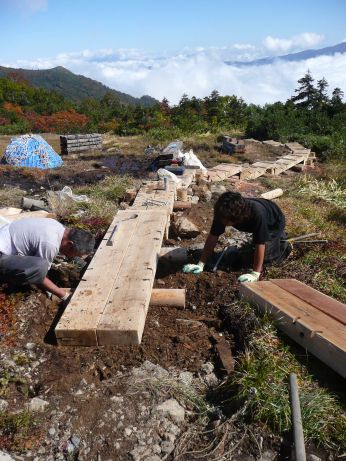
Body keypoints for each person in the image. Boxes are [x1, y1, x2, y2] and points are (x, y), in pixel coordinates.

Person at [183, 191, 290, 282]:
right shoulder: (223, 212)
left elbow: (260, 243)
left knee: (267, 260)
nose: (222, 223)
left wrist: (256, 273)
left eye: (226, 222)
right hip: (255, 221)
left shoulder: (257, 214)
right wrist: (201, 263)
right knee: (252, 253)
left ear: (236, 218)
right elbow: (213, 236)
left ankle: (284, 246)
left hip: (274, 222)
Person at [0, 218, 95, 301]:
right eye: (75, 254)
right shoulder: (50, 244)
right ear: (70, 244)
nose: (72, 257)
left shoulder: (57, 226)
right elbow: (39, 274)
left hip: (6, 236)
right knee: (40, 266)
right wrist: (63, 295)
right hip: (2, 252)